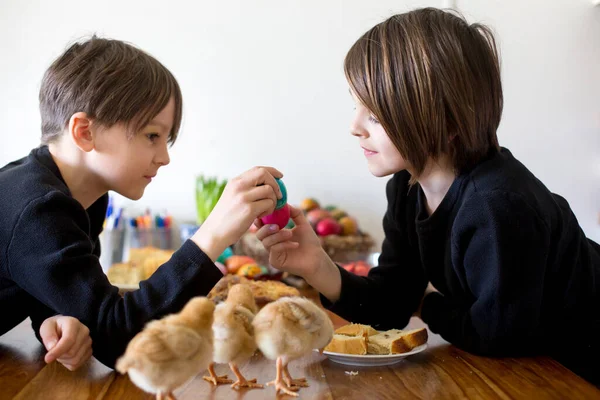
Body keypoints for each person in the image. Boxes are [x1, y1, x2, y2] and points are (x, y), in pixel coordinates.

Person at [255, 8, 599, 385]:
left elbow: (499, 335)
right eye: (356, 105)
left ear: (447, 122)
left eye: (375, 114)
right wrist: (315, 265)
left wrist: (426, 304)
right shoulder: (407, 188)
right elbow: (389, 305)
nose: (354, 127)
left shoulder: (498, 204)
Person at [0, 36, 283, 368]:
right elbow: (117, 338)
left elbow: (50, 285)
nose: (164, 157)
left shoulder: (81, 197)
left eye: (167, 139)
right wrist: (212, 236)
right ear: (85, 132)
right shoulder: (39, 209)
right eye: (152, 135)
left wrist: (51, 320)